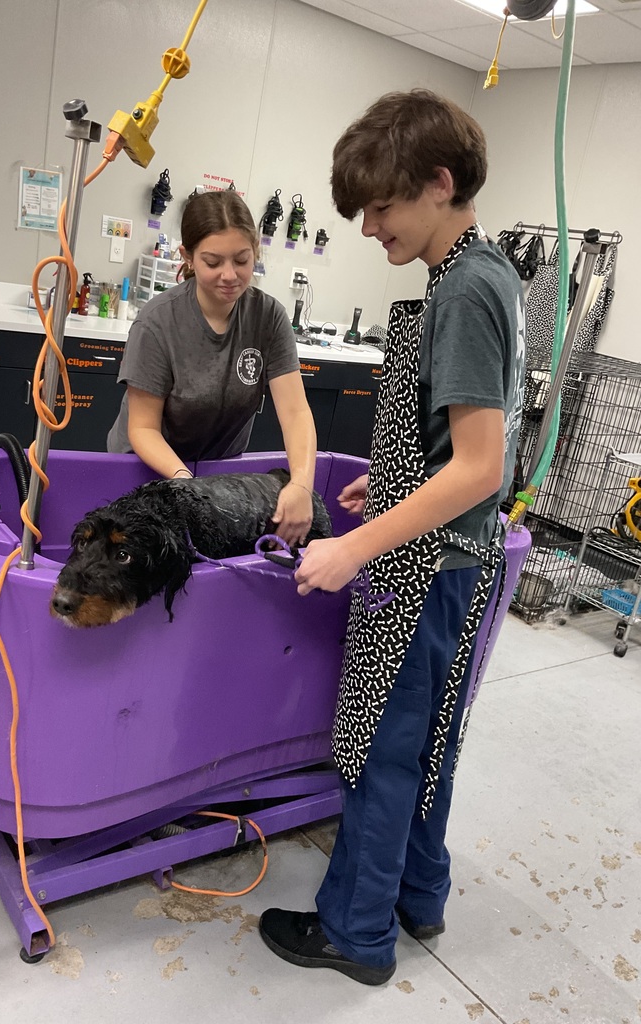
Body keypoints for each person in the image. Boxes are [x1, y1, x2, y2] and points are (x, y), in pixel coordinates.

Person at [259, 90, 526, 984]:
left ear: (439, 184)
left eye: (382, 206)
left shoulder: (467, 290)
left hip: (428, 568)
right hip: (457, 557)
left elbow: (480, 467)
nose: (371, 228)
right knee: (428, 740)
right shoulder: (482, 272)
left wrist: (354, 546)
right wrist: (401, 475)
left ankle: (357, 931)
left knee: (381, 748)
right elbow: (460, 440)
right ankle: (417, 894)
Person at [107, 190, 317, 547]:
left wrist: (301, 485)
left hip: (219, 473)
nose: (229, 275)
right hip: (148, 469)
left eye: (241, 260)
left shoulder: (268, 317)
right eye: (213, 262)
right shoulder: (157, 323)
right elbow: (143, 428)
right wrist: (185, 484)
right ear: (188, 257)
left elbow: (296, 412)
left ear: (255, 252)